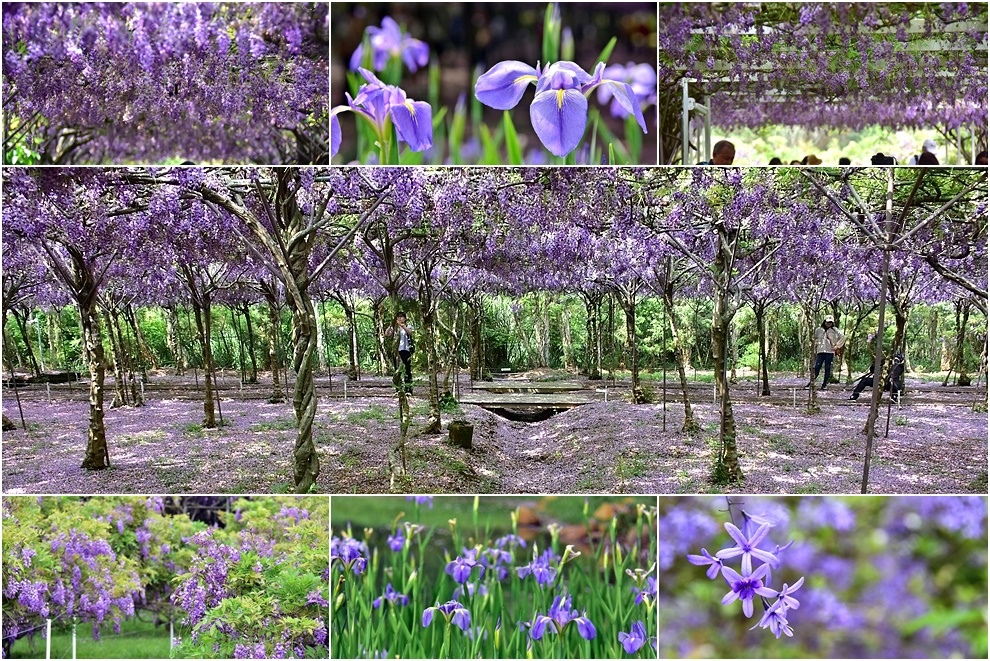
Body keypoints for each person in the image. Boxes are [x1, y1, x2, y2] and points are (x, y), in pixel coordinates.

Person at [806, 315, 845, 391]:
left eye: (830, 322)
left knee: (827, 368)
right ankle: (812, 382)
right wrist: (814, 348)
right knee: (817, 367)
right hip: (820, 351)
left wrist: (837, 346)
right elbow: (813, 339)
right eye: (827, 322)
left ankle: (824, 384)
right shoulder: (818, 330)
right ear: (824, 321)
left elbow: (843, 337)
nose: (829, 324)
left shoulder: (835, 330)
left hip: (829, 352)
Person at [384, 311, 414, 392]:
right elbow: (387, 334)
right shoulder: (395, 328)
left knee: (407, 370)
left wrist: (403, 326)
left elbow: (410, 333)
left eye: (401, 317)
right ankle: (398, 388)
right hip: (397, 352)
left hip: (406, 350)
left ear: (405, 318)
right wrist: (390, 325)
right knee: (397, 370)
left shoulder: (408, 326)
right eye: (398, 317)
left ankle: (408, 388)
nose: (400, 318)